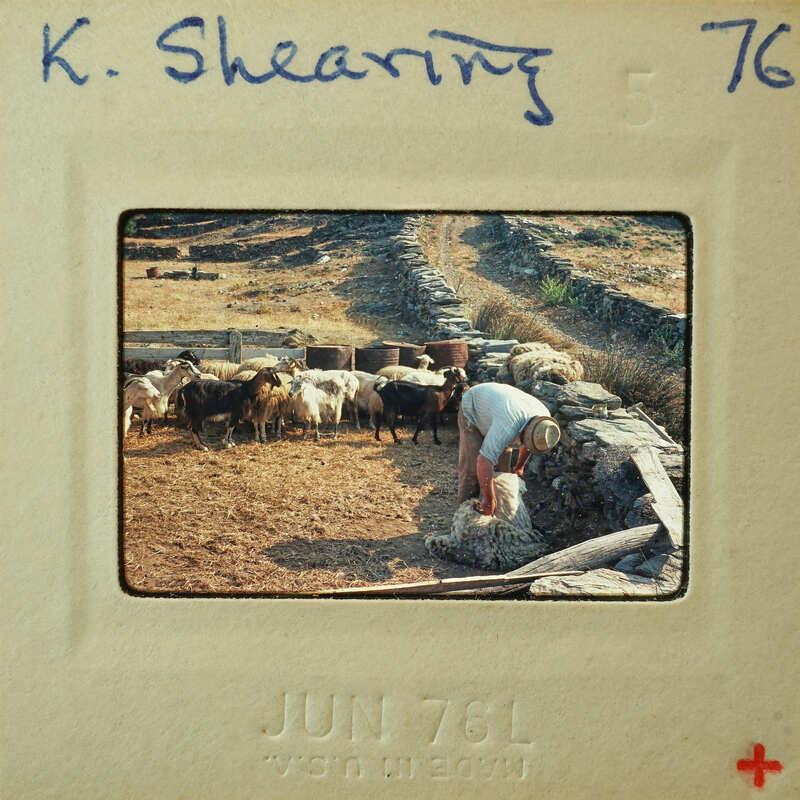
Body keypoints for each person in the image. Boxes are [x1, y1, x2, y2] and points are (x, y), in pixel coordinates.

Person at [457, 382, 561, 516]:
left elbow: (529, 445)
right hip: (474, 408)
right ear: (525, 431)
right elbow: (484, 461)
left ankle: (497, 514)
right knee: (472, 470)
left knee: (503, 475)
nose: (526, 444)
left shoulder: (545, 423)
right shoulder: (508, 426)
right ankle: (465, 516)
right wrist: (489, 500)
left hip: (499, 412)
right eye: (526, 440)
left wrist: (519, 466)